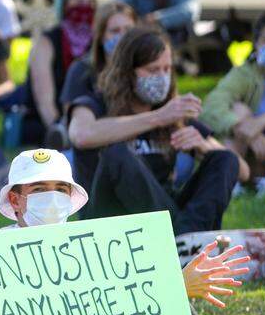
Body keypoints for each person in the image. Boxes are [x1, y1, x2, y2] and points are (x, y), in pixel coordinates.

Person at [0, 148, 265, 315]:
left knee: (156, 281)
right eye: (39, 189)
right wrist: (174, 288)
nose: (52, 197)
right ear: (15, 200)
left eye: (60, 189)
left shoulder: (85, 243)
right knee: (166, 287)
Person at [68, 27, 245, 234]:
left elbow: (242, 170)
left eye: (167, 69)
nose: (162, 77)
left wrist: (201, 144)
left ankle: (188, 238)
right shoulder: (93, 104)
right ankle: (183, 239)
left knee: (224, 159)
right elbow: (82, 135)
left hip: (165, 215)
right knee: (117, 154)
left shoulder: (172, 113)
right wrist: (158, 118)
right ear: (127, 72)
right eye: (153, 70)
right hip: (109, 221)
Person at [201, 12, 265, 197]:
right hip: (252, 157)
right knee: (238, 110)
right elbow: (213, 105)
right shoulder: (244, 73)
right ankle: (232, 182)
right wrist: (243, 129)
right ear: (256, 44)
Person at [26, 0, 97, 147]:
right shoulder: (47, 42)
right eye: (78, 0)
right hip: (50, 123)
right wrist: (60, 129)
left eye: (89, 1)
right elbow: (44, 101)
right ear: (64, 4)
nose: (84, 6)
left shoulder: (98, 40)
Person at [58, 1, 137, 116]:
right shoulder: (81, 70)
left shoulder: (148, 66)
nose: (123, 37)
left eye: (128, 30)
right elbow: (71, 121)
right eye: (115, 31)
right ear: (100, 36)